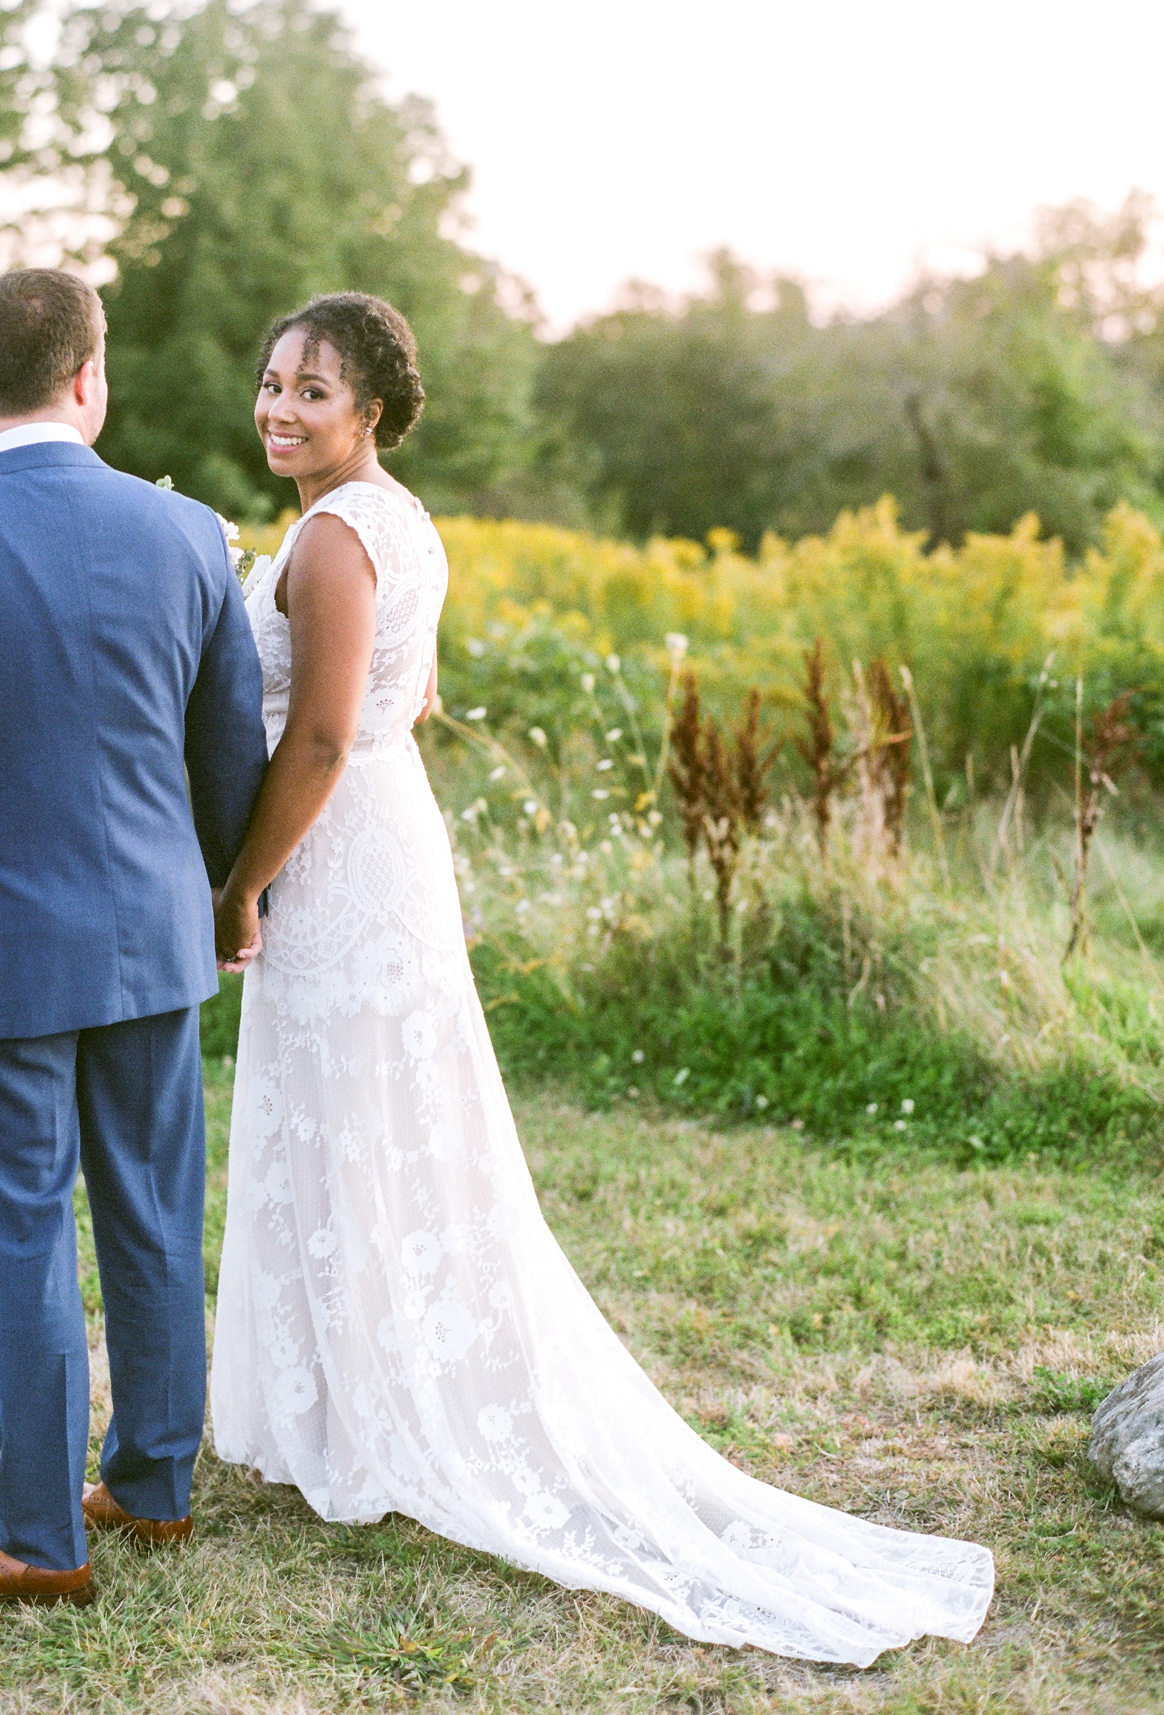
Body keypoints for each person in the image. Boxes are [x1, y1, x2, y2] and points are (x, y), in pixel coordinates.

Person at [208, 291, 995, 1666]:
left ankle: (374, 1416)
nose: (281, 408)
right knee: (389, 1121)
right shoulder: (402, 521)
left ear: (371, 410)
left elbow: (325, 739)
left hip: (338, 847)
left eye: (312, 391)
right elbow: (414, 703)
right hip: (394, 835)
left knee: (354, 1116)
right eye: (272, 381)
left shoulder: (335, 539)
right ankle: (352, 1398)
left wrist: (240, 883)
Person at [0, 268, 267, 1607]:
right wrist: (234, 897)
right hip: (154, 935)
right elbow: (228, 745)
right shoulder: (191, 535)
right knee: (152, 1208)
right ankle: (153, 1485)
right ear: (90, 376)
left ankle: (37, 1537)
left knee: (20, 1232)